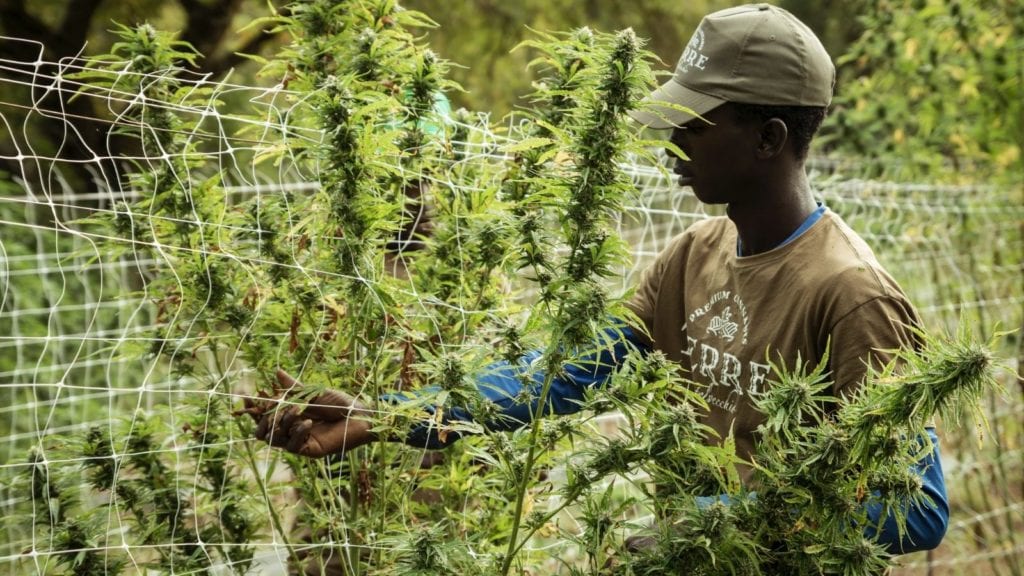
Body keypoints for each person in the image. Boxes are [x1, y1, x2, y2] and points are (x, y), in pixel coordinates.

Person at [249, 3, 949, 555]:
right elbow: (561, 373)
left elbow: (913, 510)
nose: (668, 140)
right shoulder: (693, 254)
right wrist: (387, 417)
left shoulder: (851, 294)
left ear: (768, 138)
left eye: (692, 124)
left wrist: (720, 519)